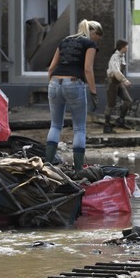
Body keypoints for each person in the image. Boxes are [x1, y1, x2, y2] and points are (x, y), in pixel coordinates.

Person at [45, 19, 103, 168]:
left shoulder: (65, 40)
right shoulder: (90, 44)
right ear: (94, 33)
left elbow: (51, 68)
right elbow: (88, 69)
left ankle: (46, 166)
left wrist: (53, 84)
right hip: (74, 83)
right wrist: (94, 93)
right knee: (79, 128)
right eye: (99, 35)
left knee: (55, 125)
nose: (99, 39)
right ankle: (78, 170)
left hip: (55, 82)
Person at [103, 39, 133, 134]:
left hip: (118, 82)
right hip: (112, 81)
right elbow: (116, 71)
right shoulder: (115, 57)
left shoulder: (122, 56)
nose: (127, 48)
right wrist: (124, 80)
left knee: (128, 101)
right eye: (126, 46)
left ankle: (121, 120)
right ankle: (107, 126)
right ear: (122, 47)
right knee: (111, 104)